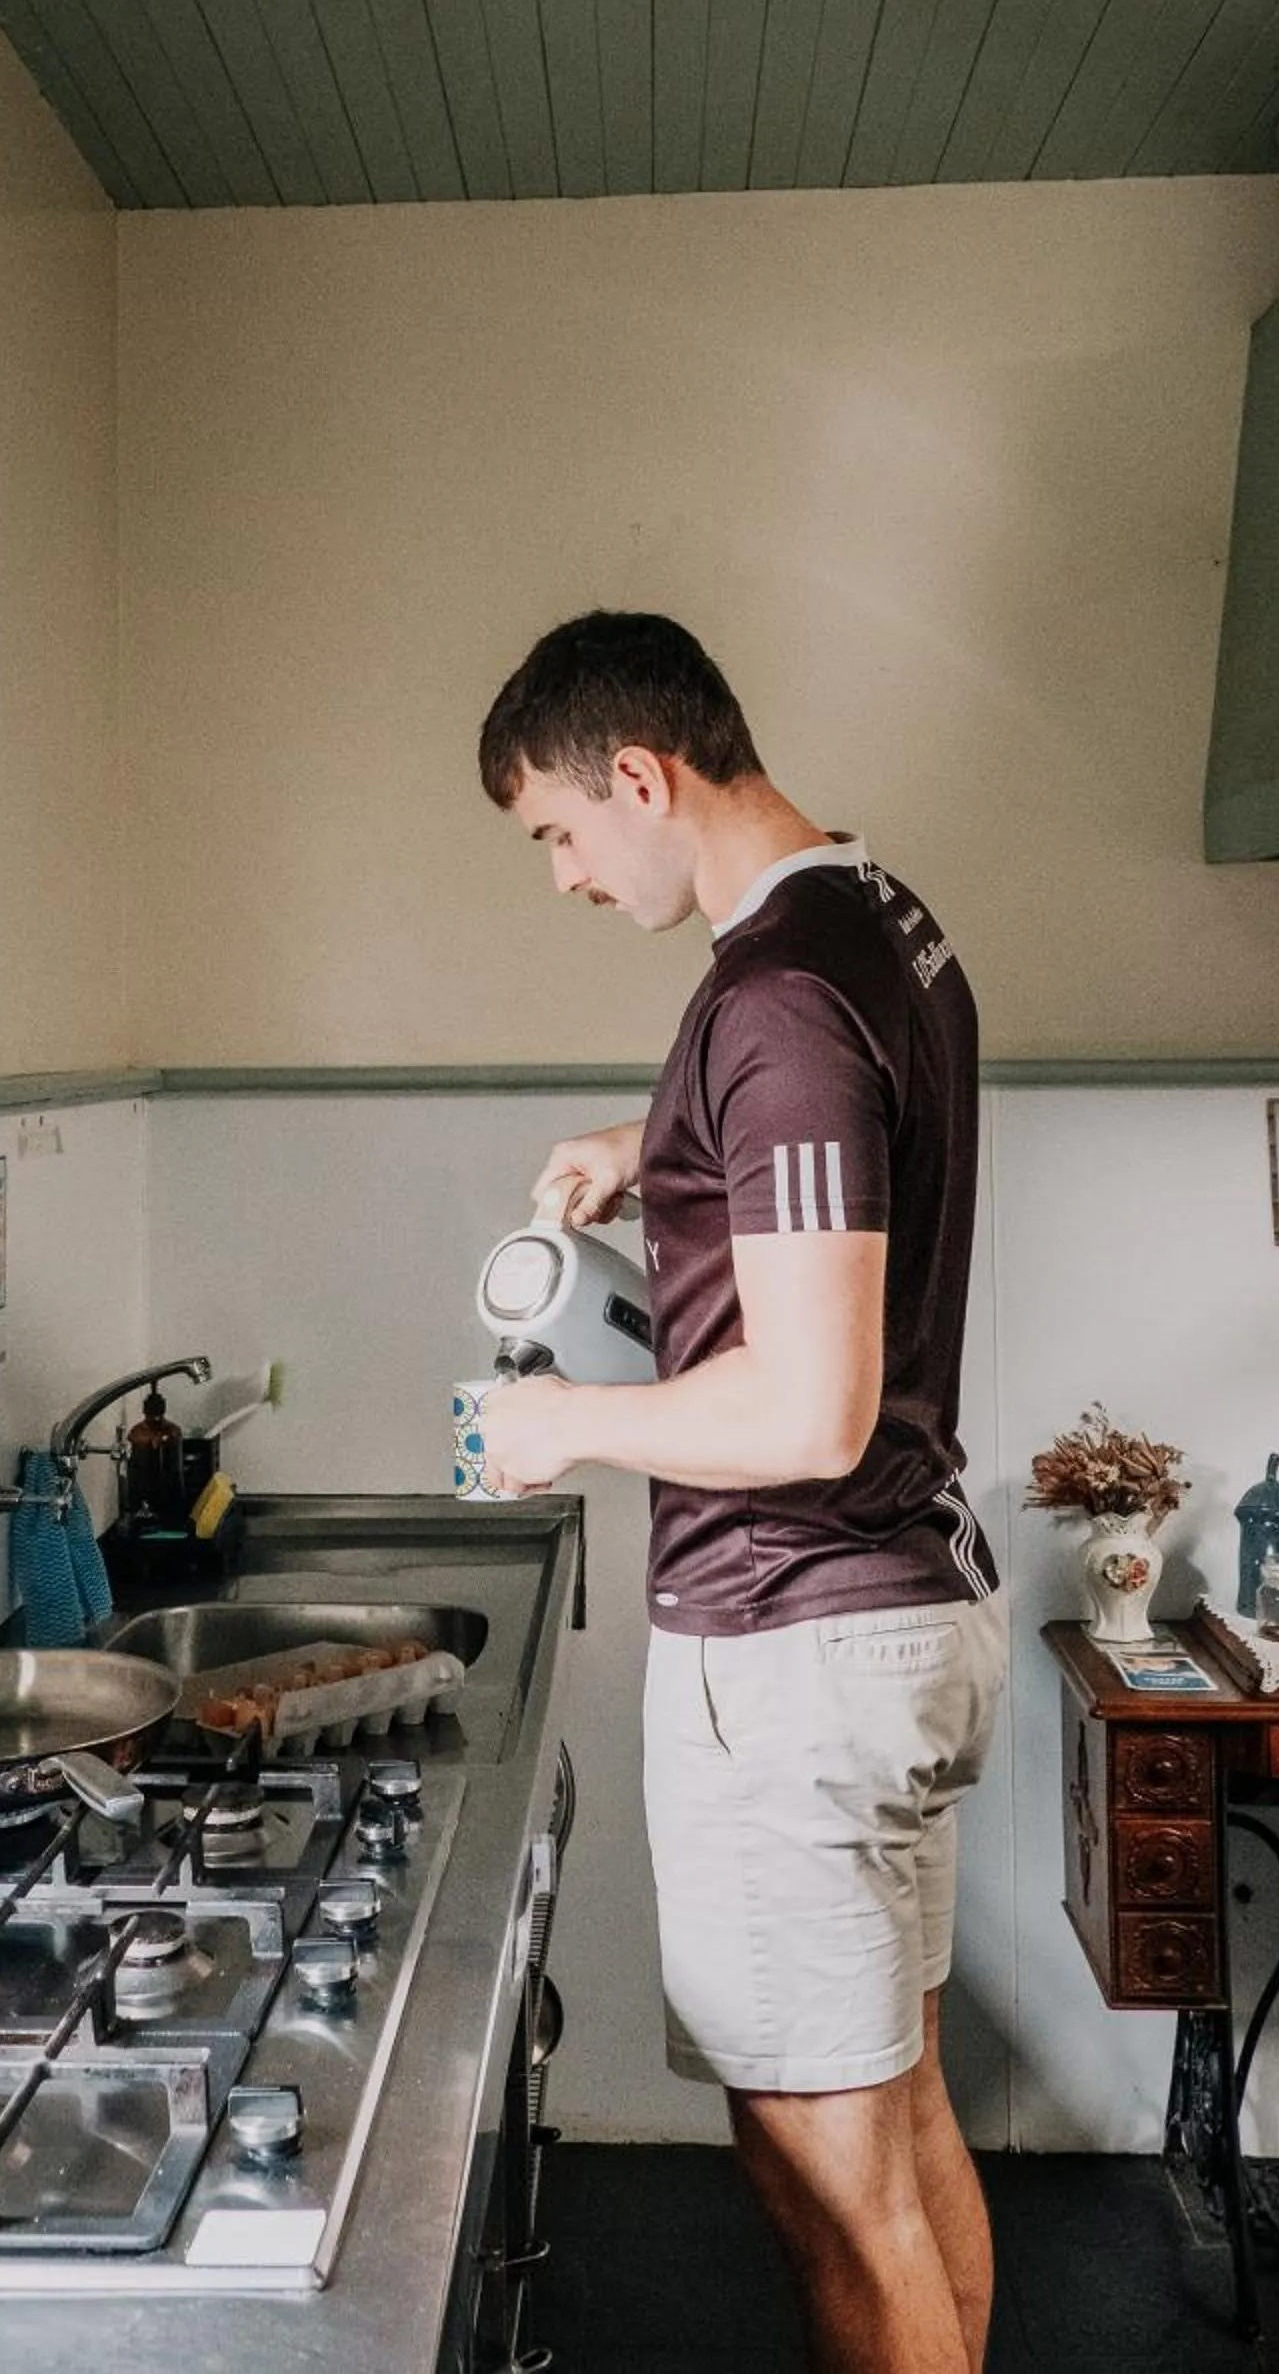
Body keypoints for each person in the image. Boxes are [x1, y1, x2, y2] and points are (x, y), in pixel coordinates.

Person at [474, 609, 1007, 2374]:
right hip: (901, 1606)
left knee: (830, 2188)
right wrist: (656, 1151)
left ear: (641, 777)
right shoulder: (878, 919)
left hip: (795, 1644)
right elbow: (845, 1133)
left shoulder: (772, 996)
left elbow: (804, 1408)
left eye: (558, 830)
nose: (564, 875)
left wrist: (564, 1425)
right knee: (897, 2125)